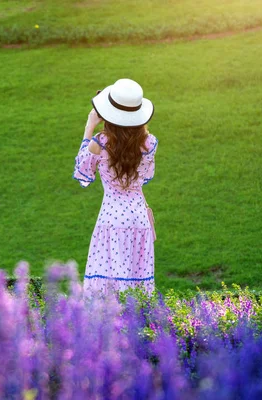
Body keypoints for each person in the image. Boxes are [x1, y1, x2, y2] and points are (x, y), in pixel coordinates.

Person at [73, 78, 158, 297]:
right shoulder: (150, 143)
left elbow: (83, 170)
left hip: (112, 218)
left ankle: (108, 327)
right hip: (139, 216)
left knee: (108, 280)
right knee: (137, 279)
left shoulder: (101, 141)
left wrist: (89, 126)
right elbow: (145, 176)